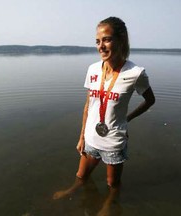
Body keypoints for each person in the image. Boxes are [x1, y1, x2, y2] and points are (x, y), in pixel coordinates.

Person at [53, 17, 155, 215]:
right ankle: (73, 189)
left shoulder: (135, 73)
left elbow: (150, 100)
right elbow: (88, 105)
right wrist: (81, 136)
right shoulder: (93, 69)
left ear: (121, 40)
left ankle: (109, 203)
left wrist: (127, 119)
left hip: (113, 140)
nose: (101, 46)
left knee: (112, 183)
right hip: (91, 137)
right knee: (81, 175)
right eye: (98, 41)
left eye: (106, 40)